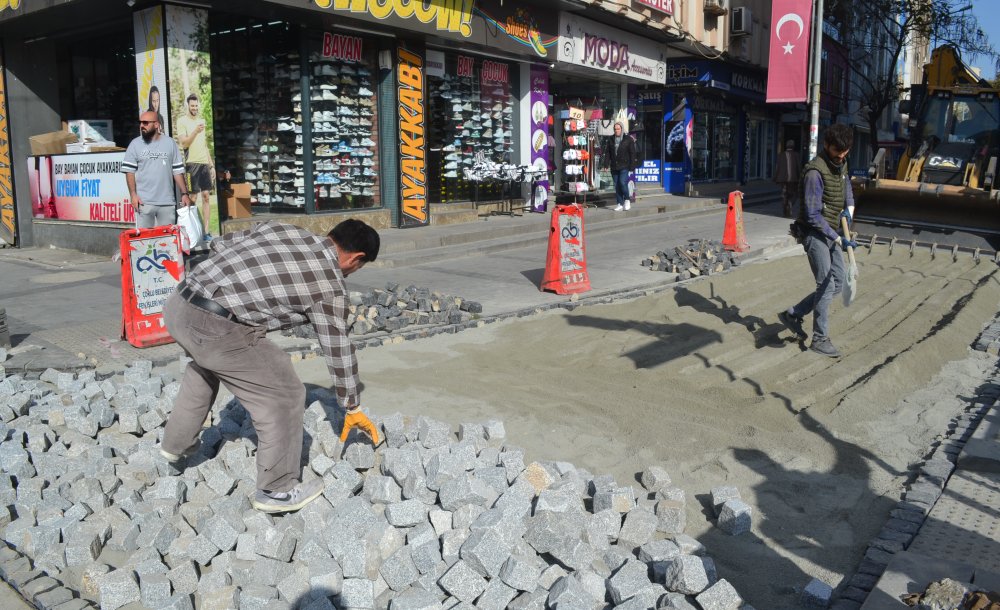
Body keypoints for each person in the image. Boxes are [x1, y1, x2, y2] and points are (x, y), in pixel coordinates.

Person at [158, 219, 380, 513]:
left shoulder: (285, 229)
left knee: (205, 367)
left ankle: (175, 445)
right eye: (358, 268)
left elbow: (220, 244)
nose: (353, 273)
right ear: (356, 258)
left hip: (179, 305)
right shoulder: (330, 284)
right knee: (285, 394)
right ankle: (277, 489)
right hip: (215, 326)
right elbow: (337, 346)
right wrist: (351, 405)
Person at [778, 124, 857, 358]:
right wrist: (838, 239)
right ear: (826, 145)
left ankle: (794, 314)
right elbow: (812, 215)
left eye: (845, 152)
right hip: (813, 233)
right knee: (825, 284)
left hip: (831, 230)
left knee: (839, 281)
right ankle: (819, 339)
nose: (841, 156)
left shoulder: (842, 164)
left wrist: (849, 211)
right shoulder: (815, 173)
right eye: (837, 151)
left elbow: (847, 189)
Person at [121, 111, 191, 228]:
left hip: (167, 202)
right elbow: (129, 172)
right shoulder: (135, 144)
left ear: (156, 124)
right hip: (144, 202)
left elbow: (177, 171)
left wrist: (184, 193)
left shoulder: (170, 143)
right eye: (140, 123)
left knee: (167, 241)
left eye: (145, 123)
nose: (141, 126)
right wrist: (133, 195)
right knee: (145, 241)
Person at [175, 93, 216, 238]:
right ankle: (191, 232)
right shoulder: (182, 121)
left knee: (206, 196)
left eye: (196, 105)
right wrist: (195, 131)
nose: (194, 108)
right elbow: (184, 143)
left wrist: (211, 166)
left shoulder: (201, 121)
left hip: (204, 163)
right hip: (191, 165)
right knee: (192, 199)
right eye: (192, 106)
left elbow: (204, 145)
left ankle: (206, 231)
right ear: (188, 106)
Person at [603, 121, 637, 211]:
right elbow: (607, 153)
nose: (616, 130)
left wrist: (632, 167)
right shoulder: (610, 139)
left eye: (618, 129)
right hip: (614, 165)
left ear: (621, 129)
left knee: (622, 183)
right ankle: (619, 203)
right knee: (617, 185)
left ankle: (627, 199)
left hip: (624, 165)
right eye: (615, 129)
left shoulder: (628, 139)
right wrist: (606, 164)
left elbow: (632, 153)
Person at [774, 139, 801, 217]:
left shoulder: (781, 155)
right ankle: (790, 203)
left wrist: (776, 177)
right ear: (793, 146)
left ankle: (785, 210)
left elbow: (778, 168)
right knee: (794, 194)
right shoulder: (796, 155)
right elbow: (798, 167)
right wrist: (800, 177)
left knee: (784, 194)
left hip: (783, 179)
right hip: (793, 179)